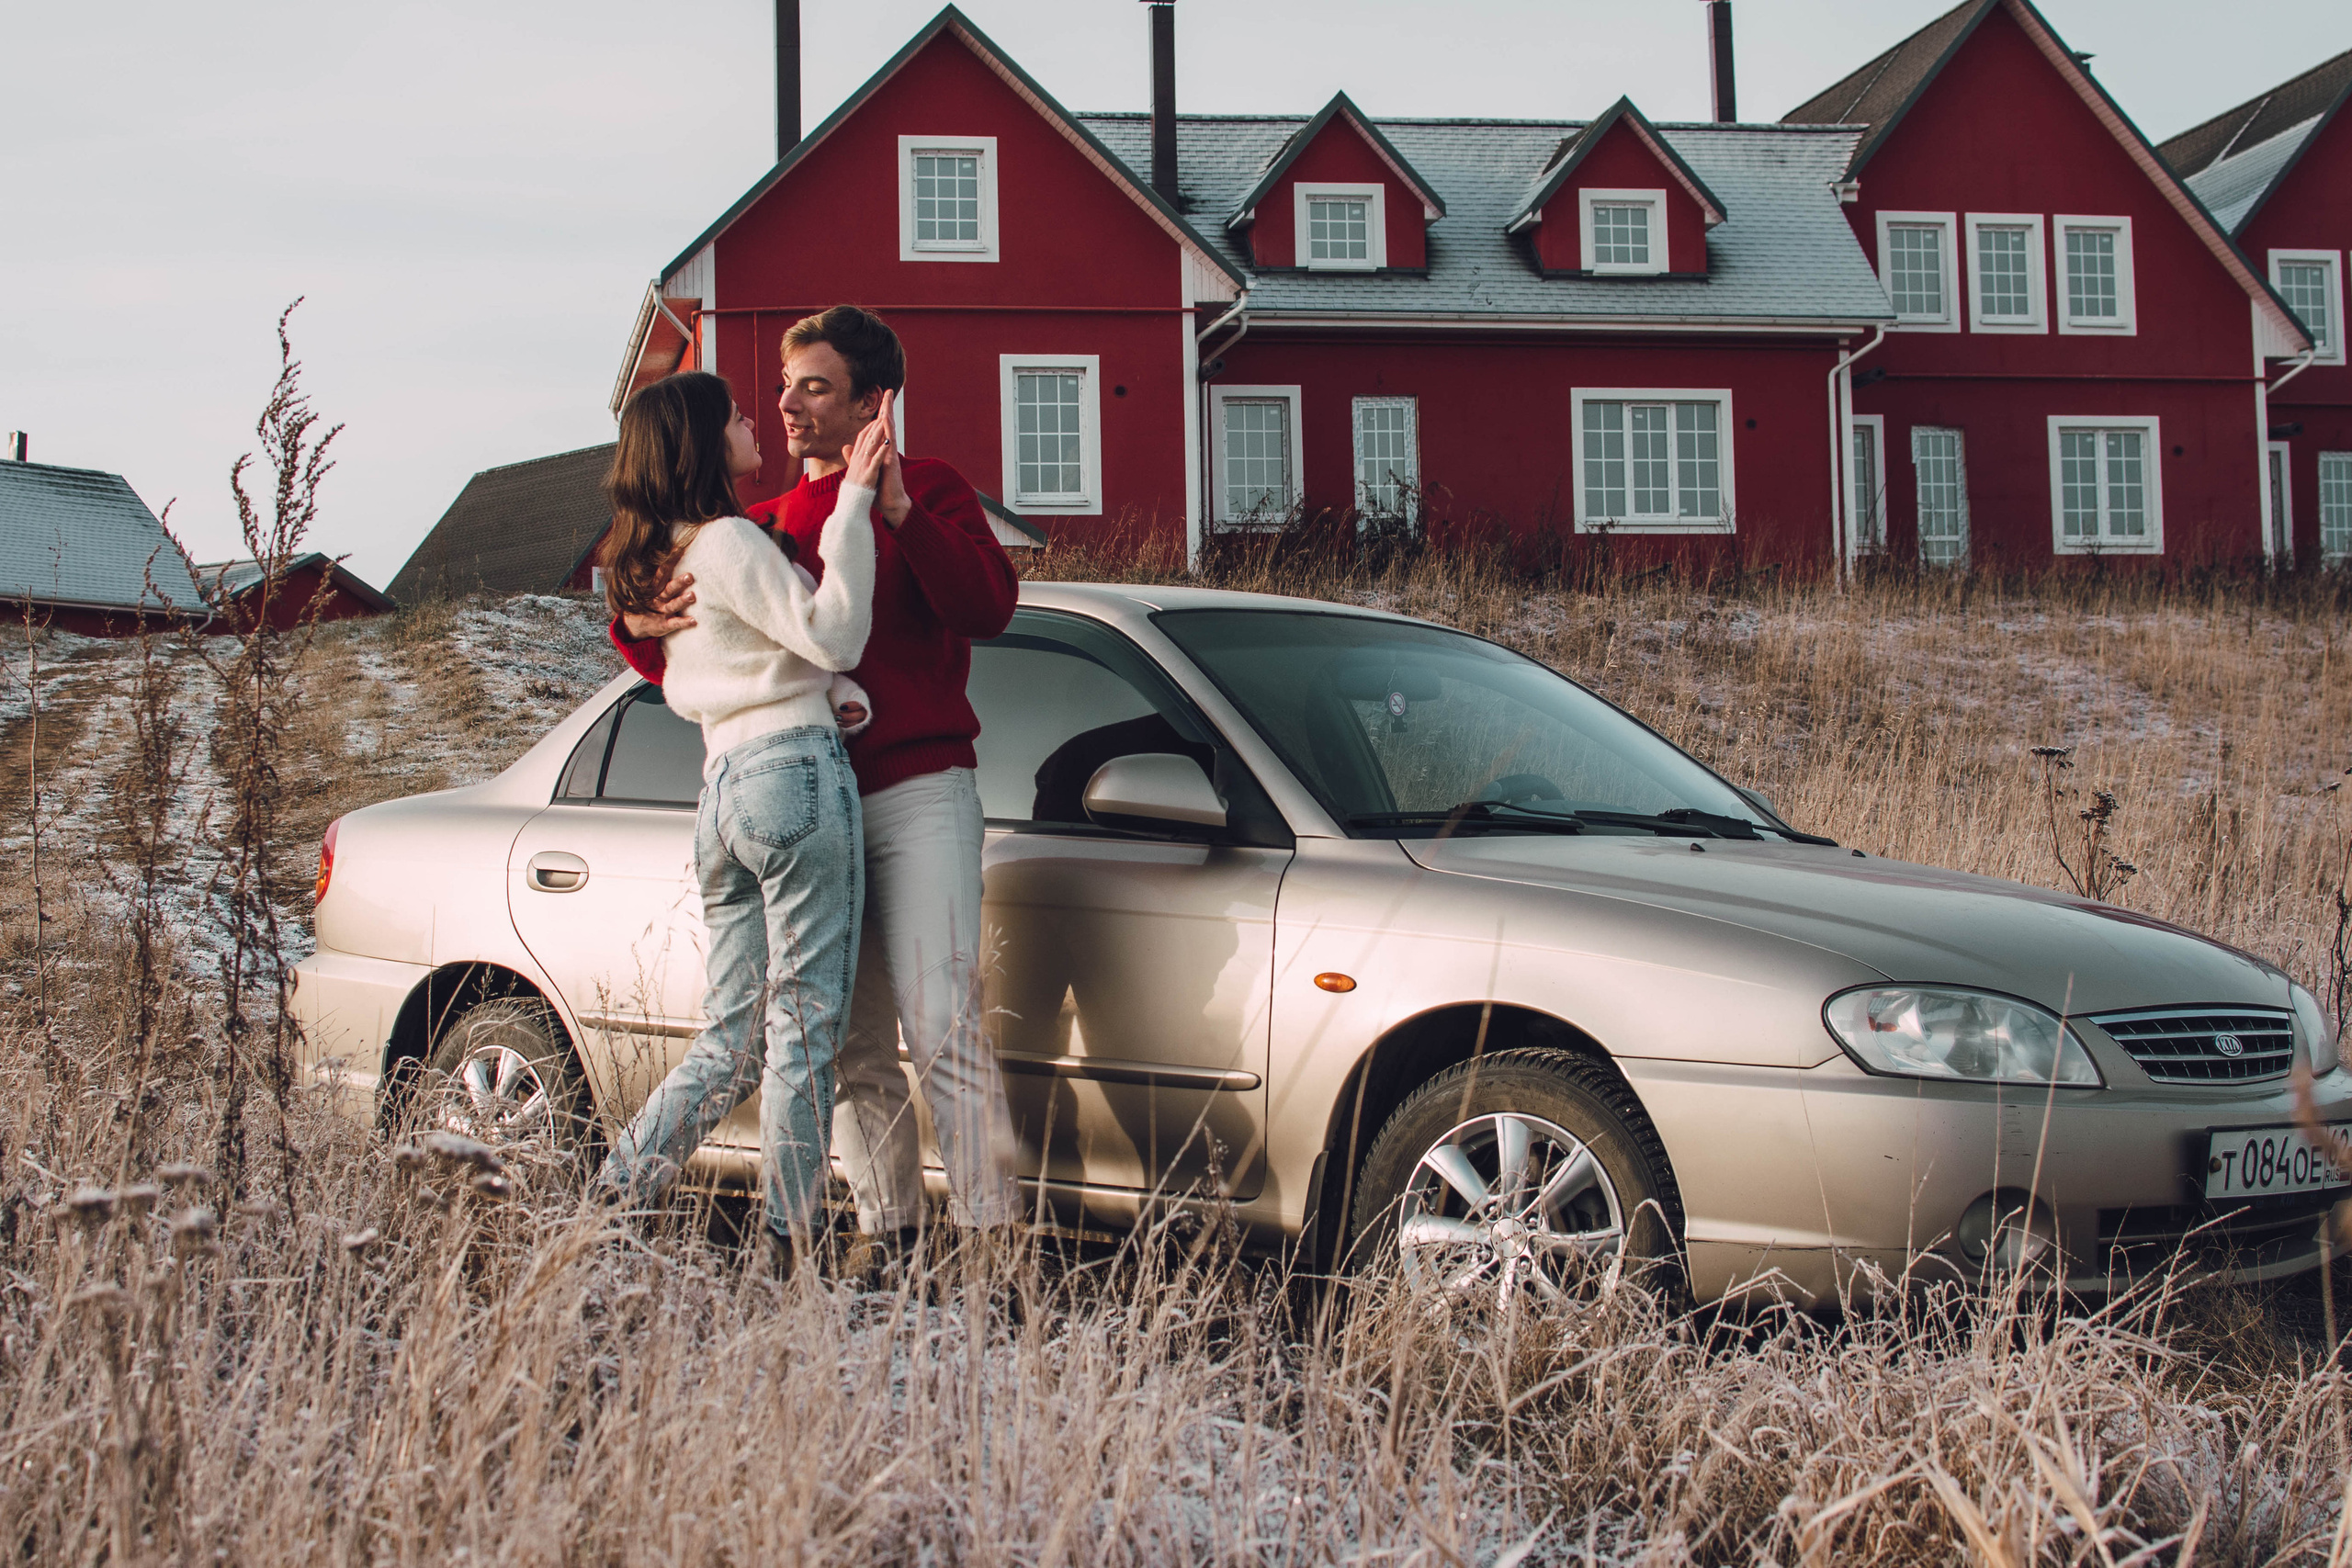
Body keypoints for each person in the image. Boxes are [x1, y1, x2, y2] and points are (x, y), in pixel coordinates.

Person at [612, 306, 1023, 1257]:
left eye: (815, 387)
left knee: (941, 1019)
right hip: (808, 802)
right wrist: (634, 617)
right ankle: (894, 1241)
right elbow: (684, 654)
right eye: (785, 386)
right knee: (850, 1041)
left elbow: (989, 606)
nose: (786, 404)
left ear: (873, 402)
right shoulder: (751, 526)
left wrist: (900, 517)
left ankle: (992, 1246)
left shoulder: (932, 489)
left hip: (917, 791)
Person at [594, 368, 891, 1265]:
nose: (752, 420)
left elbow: (752, 654)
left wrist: (829, 690)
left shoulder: (665, 557)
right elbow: (834, 631)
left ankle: (612, 1197)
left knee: (730, 1039)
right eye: (732, 414)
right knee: (803, 1028)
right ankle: (788, 1243)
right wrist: (852, 509)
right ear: (699, 442)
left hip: (723, 788)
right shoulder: (726, 540)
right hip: (791, 775)